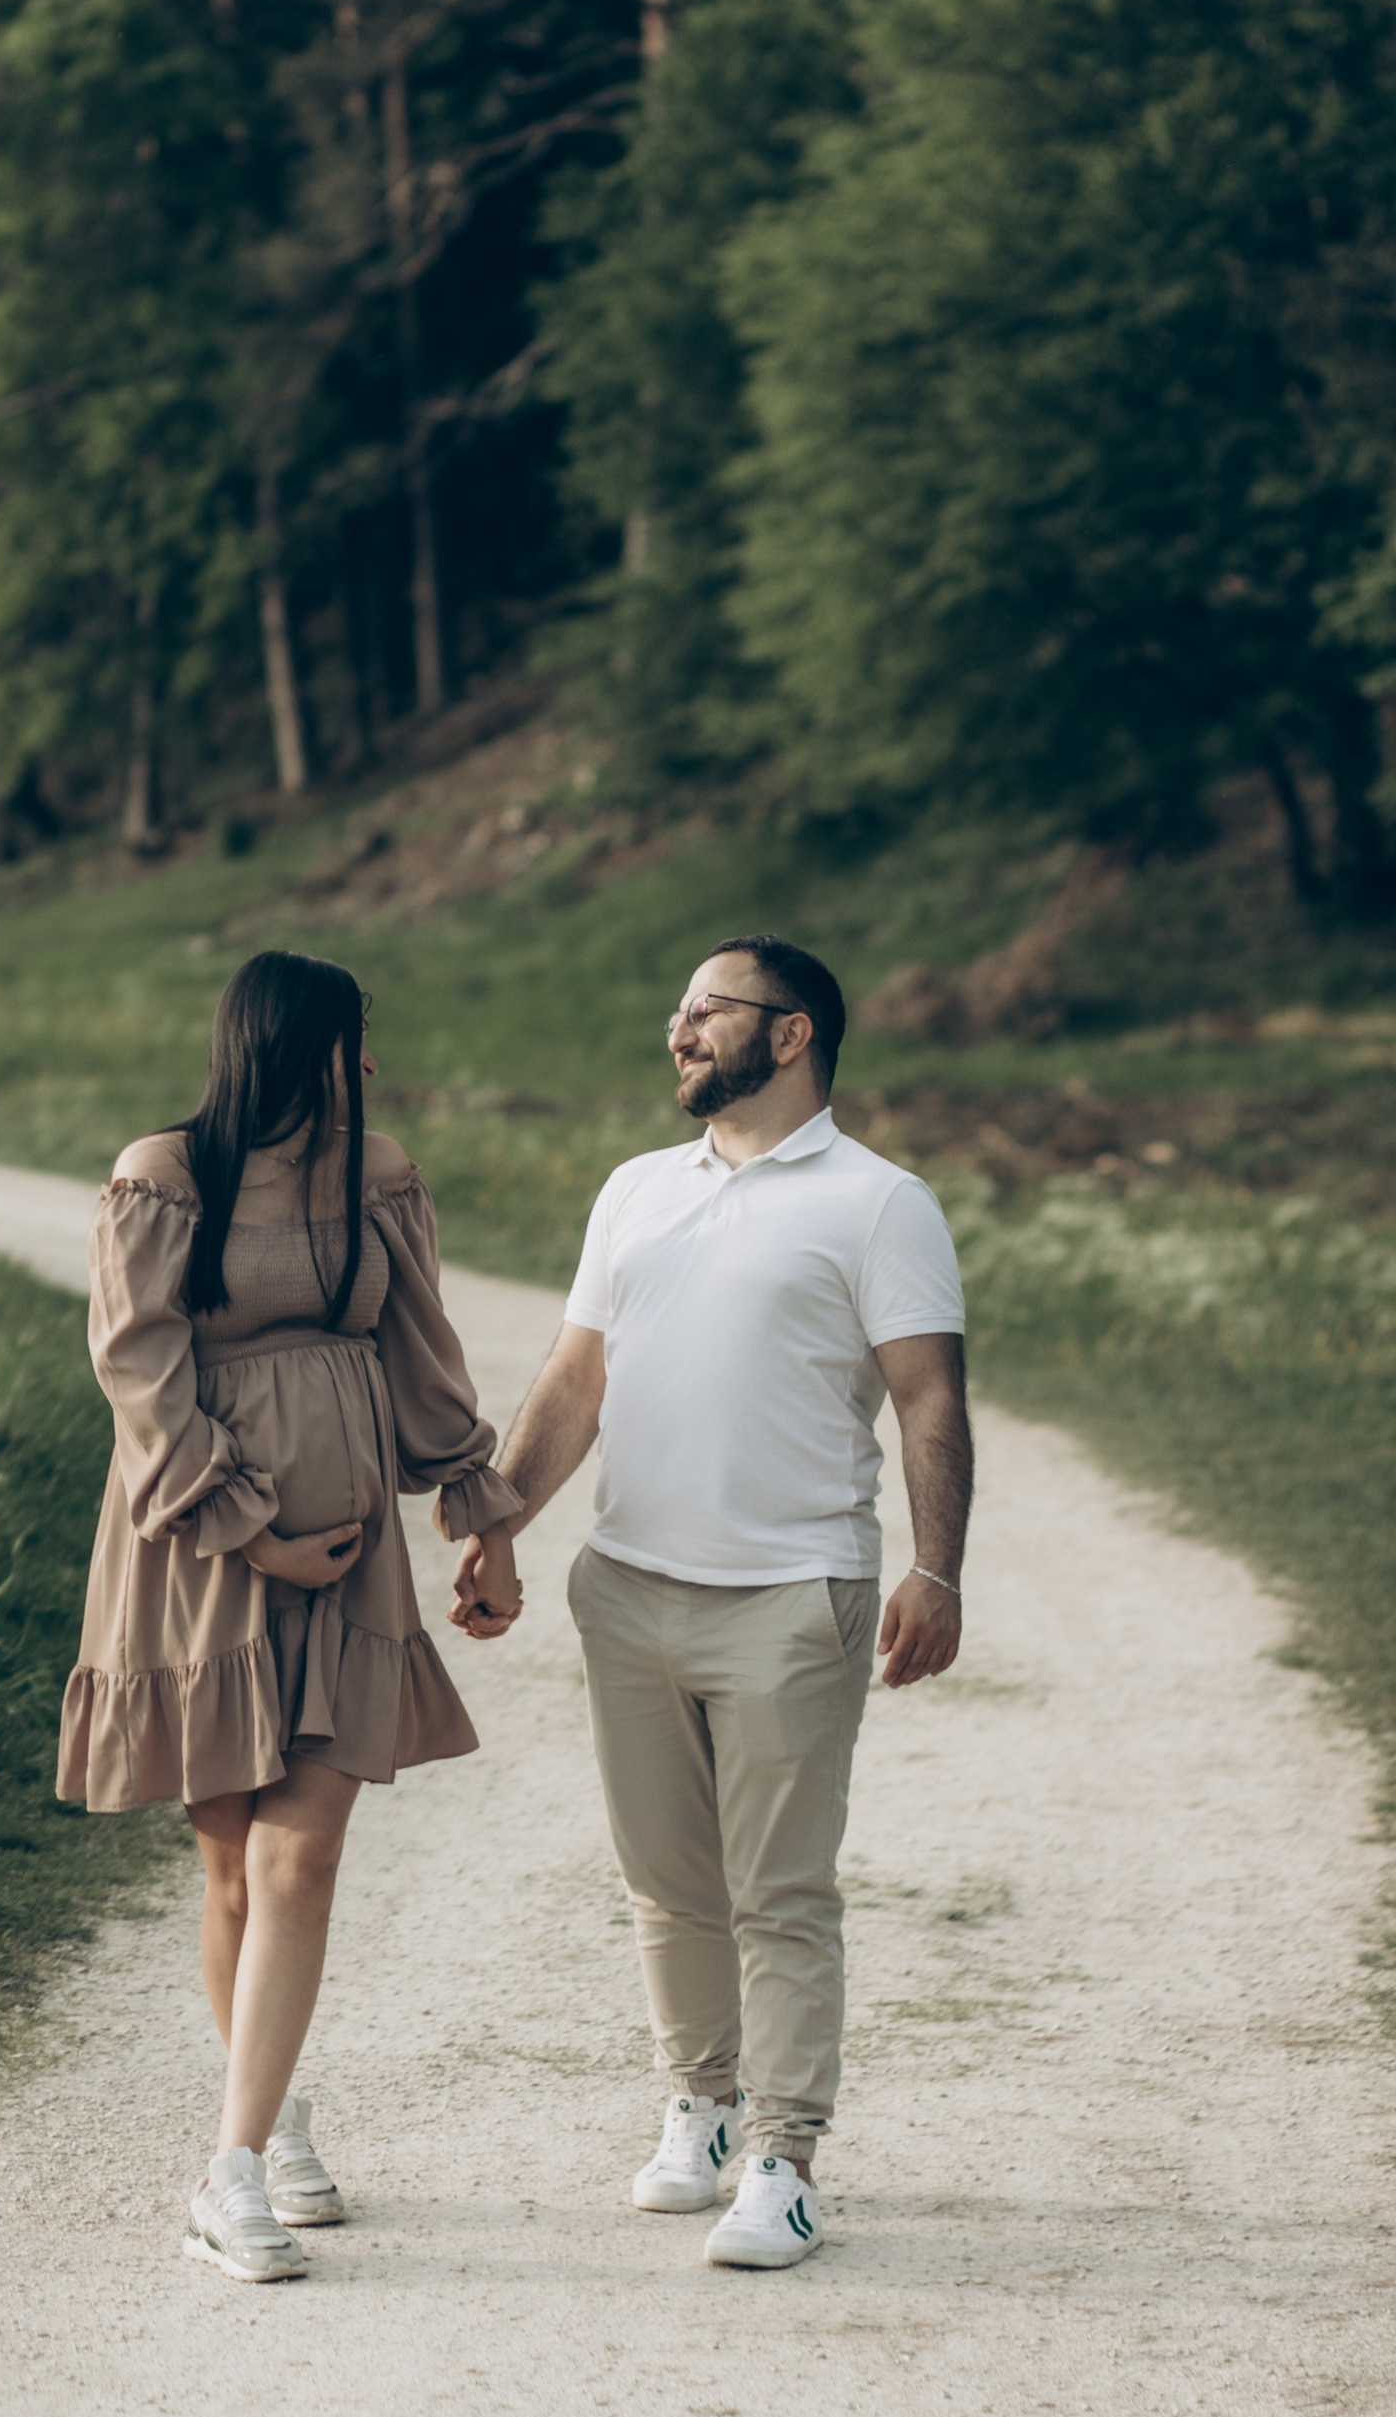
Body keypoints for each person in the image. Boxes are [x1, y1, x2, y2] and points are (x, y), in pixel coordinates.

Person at [450, 934, 971, 2269]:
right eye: (677, 1009)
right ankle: (701, 2105)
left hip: (794, 1596)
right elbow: (576, 1382)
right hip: (629, 1589)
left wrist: (936, 1568)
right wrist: (501, 1526)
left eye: (708, 1009)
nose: (678, 1030)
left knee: (780, 1891)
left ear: (791, 1035)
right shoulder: (635, 1189)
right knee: (668, 1883)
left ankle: (784, 2161)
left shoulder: (880, 1202)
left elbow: (928, 1397)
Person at [61, 950, 521, 2284]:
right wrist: (250, 1526)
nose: (367, 1066)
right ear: (283, 1044)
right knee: (229, 1872)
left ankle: (233, 2170)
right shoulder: (164, 1178)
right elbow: (138, 1373)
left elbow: (421, 1356)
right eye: (346, 1041)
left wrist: (482, 1517)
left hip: (353, 1565)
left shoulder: (378, 1179)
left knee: (298, 1861)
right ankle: (270, 2125)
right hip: (202, 1558)